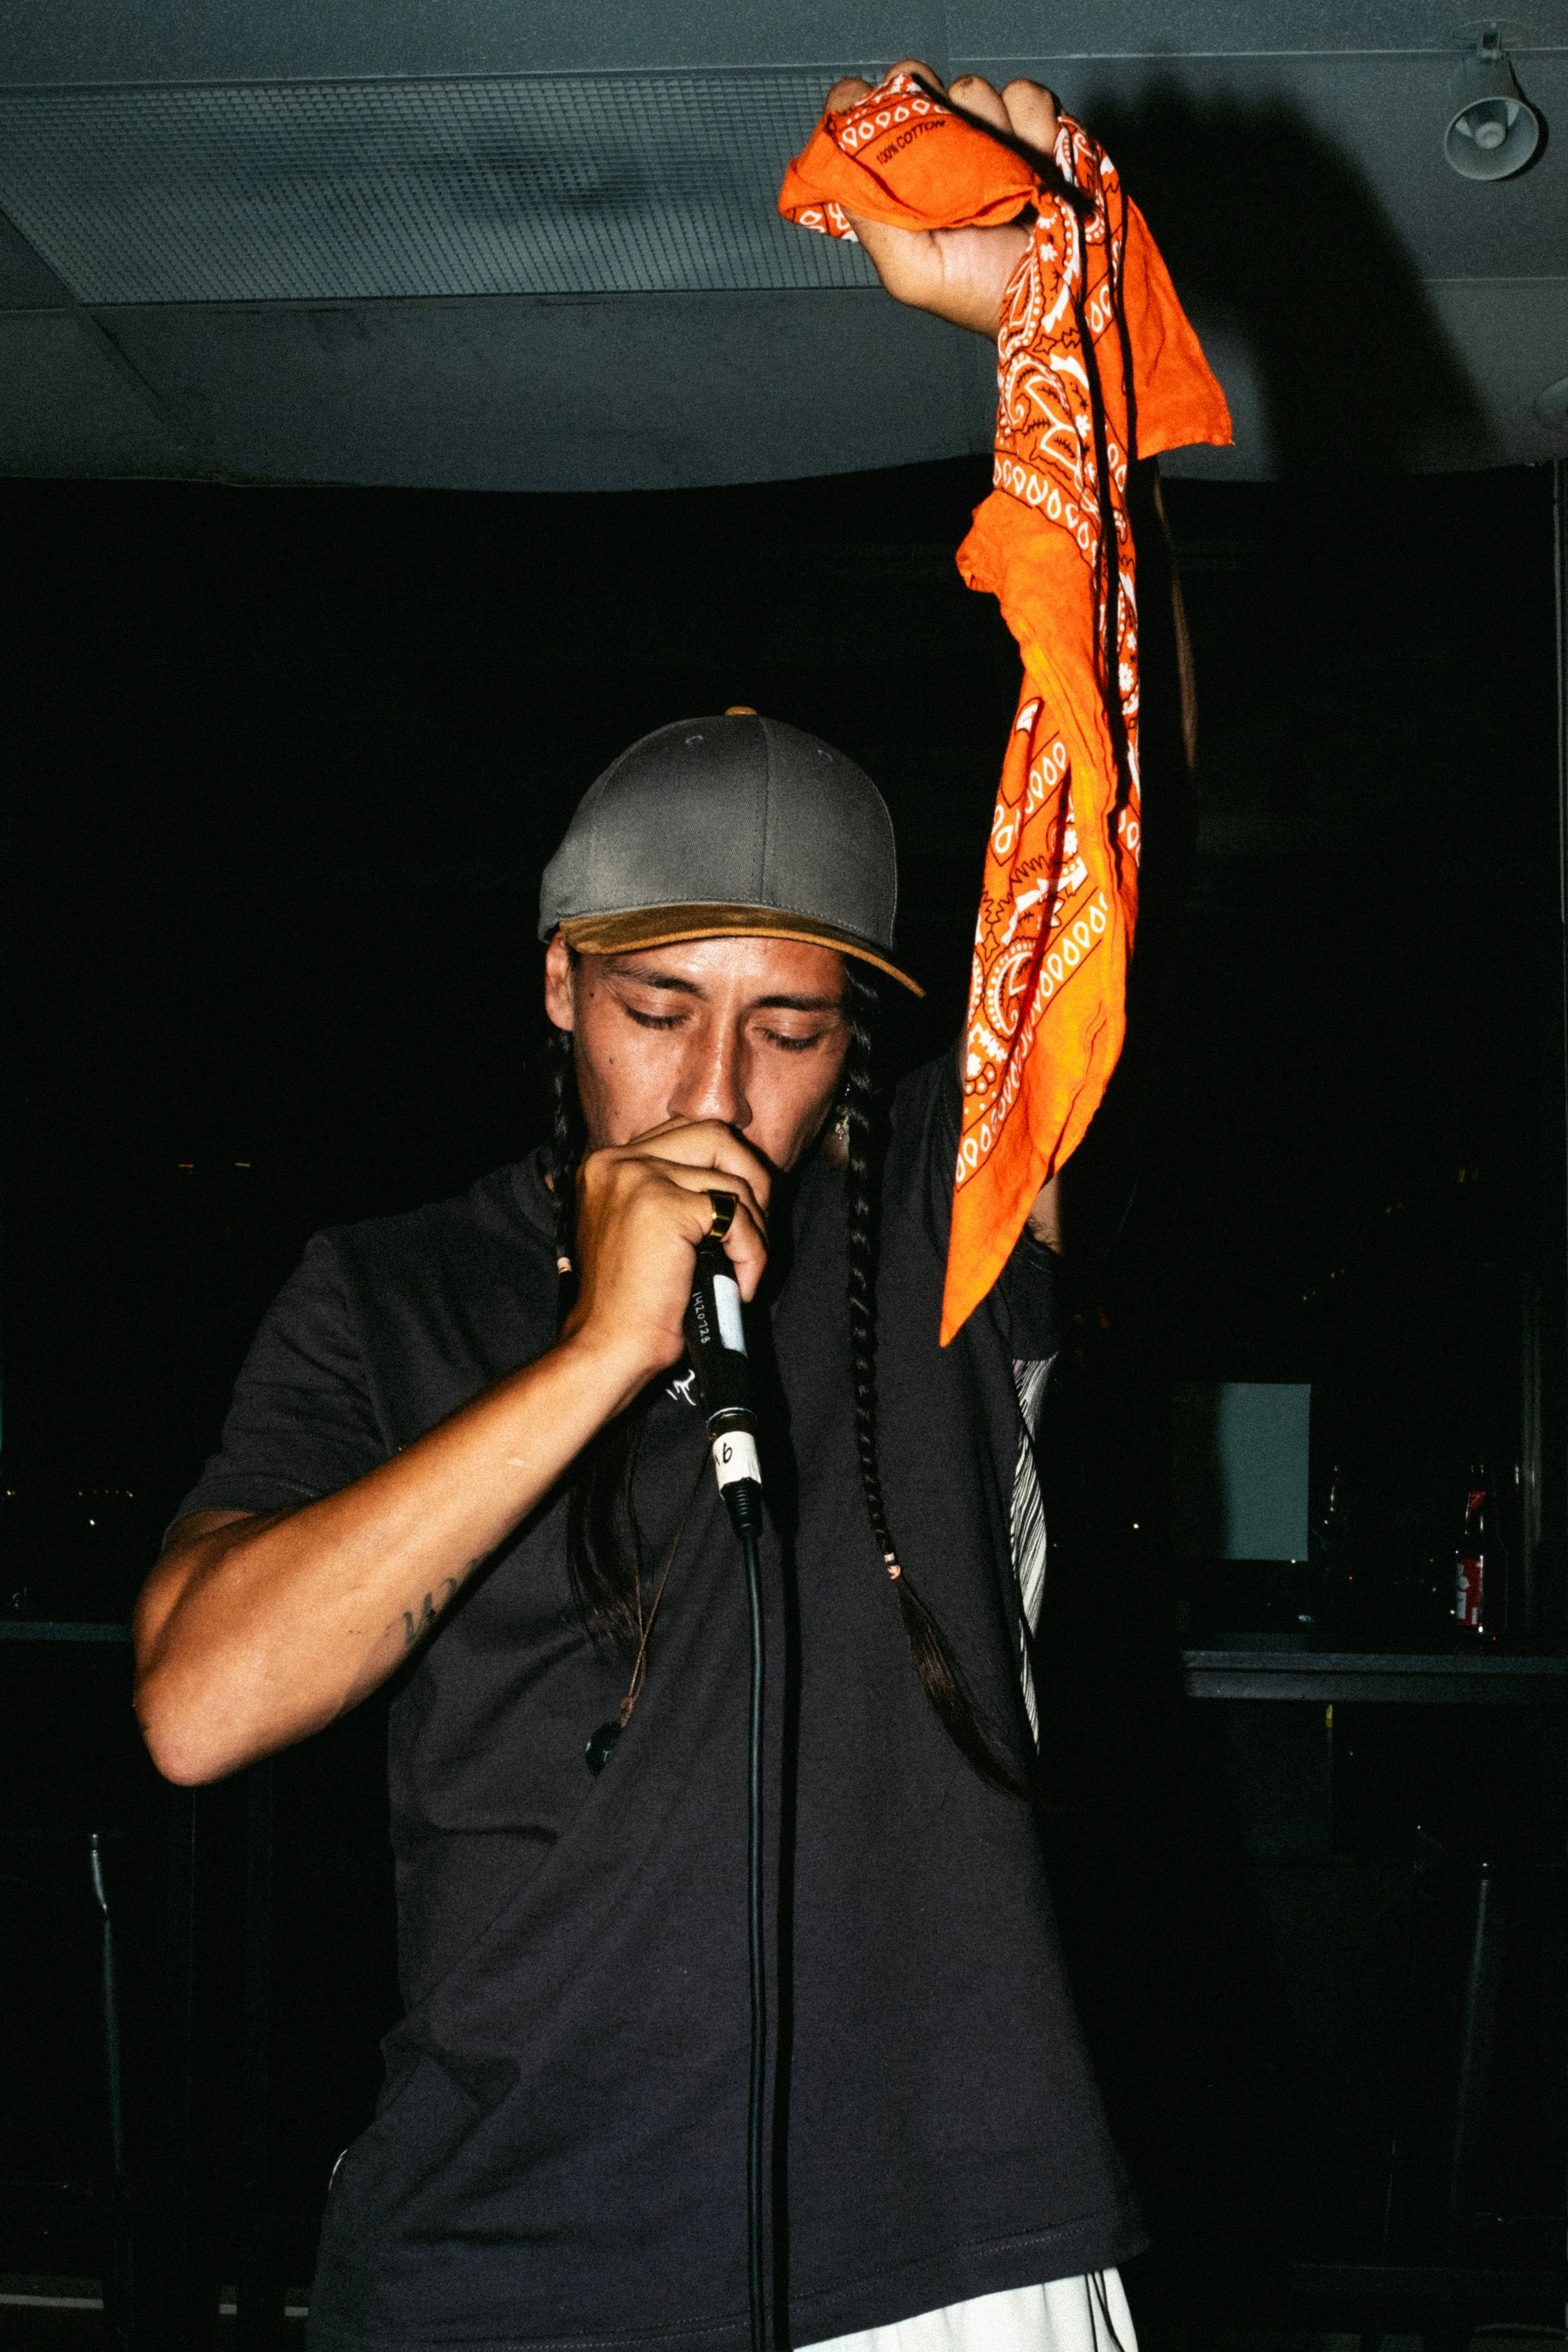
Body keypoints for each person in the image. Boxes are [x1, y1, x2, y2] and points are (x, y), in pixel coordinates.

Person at [135, 67, 1177, 2352]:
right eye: (657, 1006)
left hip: (947, 2250)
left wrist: (1048, 343)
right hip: (506, 2252)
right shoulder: (392, 1286)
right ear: (554, 986)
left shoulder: (939, 1236)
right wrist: (597, 1350)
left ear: (863, 1039)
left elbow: (1105, 825)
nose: (715, 1083)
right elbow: (201, 1706)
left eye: (791, 1025)